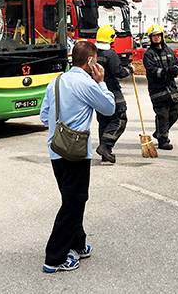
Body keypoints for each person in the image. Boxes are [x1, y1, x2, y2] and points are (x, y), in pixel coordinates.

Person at [40, 40, 114, 273]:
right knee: (74, 202)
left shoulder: (56, 81)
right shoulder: (87, 84)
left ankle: (78, 244)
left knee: (72, 198)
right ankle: (55, 257)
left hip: (56, 149)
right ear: (90, 61)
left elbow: (44, 116)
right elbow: (109, 108)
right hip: (76, 152)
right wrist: (101, 83)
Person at [93, 25, 132, 163]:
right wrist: (129, 69)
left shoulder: (93, 54)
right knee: (119, 119)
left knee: (103, 122)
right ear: (111, 39)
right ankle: (105, 146)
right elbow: (119, 72)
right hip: (112, 92)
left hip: (97, 94)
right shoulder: (111, 55)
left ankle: (106, 153)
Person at [142, 24, 178, 150]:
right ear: (150, 38)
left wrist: (176, 69)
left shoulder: (168, 50)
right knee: (162, 115)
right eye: (154, 36)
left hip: (171, 88)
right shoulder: (149, 54)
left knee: (174, 113)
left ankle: (159, 132)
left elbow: (176, 62)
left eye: (158, 35)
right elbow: (153, 71)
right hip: (158, 90)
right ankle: (163, 139)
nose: (156, 38)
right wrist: (167, 71)